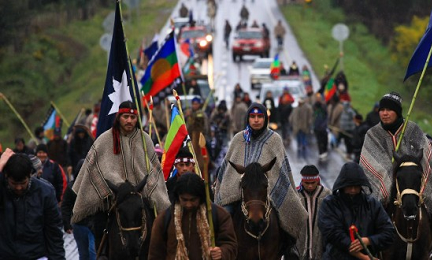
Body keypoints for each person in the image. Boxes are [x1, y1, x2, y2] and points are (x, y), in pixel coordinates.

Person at [72, 101, 170, 251]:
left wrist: (145, 191)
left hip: (139, 199)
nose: (129, 120)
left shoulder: (145, 140)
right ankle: (103, 254)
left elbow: (154, 172)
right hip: (112, 201)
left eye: (132, 117)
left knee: (157, 229)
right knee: (100, 225)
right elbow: (93, 169)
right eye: (125, 116)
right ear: (119, 117)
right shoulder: (104, 140)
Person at [215, 102, 307, 252]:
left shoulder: (274, 139)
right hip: (240, 190)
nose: (256, 120)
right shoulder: (239, 139)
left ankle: (290, 248)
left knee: (289, 210)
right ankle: (222, 249)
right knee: (223, 215)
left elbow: (281, 171)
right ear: (248, 119)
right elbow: (228, 169)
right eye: (252, 116)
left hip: (267, 190)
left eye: (259, 116)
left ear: (265, 118)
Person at [360, 92, 432, 212]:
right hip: (385, 198)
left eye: (389, 109)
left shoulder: (413, 129)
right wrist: (389, 174)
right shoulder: (373, 134)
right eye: (382, 109)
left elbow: (426, 158)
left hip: (414, 189)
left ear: (397, 112)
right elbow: (369, 165)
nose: (385, 113)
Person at [149, 173, 238, 260]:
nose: (188, 204)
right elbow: (155, 253)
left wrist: (222, 252)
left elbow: (231, 245)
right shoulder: (164, 218)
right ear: (178, 196)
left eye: (193, 200)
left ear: (200, 197)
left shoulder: (219, 214)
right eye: (184, 199)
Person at [318, 162, 395, 259]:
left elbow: (389, 233)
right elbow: (333, 233)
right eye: (349, 186)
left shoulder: (372, 204)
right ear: (342, 185)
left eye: (356, 186)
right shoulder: (330, 204)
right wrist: (363, 256)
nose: (353, 190)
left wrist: (369, 241)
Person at [0, 149, 65, 259]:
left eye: (23, 183)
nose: (18, 187)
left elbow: (54, 232)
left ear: (30, 175)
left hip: (36, 255)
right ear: (6, 177)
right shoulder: (2, 189)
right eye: (14, 183)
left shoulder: (45, 193)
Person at [62, 159, 96, 260]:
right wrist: (66, 223)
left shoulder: (96, 187)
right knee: (83, 253)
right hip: (78, 225)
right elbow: (66, 206)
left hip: (93, 225)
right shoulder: (71, 188)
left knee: (93, 252)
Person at [296, 165, 331, 260]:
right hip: (300, 243)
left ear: (317, 180)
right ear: (302, 181)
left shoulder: (327, 195)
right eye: (307, 183)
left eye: (313, 183)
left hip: (320, 241)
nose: (310, 186)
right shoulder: (296, 195)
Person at [313, 96, 328, 160]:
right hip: (318, 129)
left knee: (322, 140)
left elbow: (326, 119)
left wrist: (323, 125)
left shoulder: (322, 111)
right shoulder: (316, 112)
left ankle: (323, 151)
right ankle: (321, 152)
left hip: (322, 129)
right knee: (320, 141)